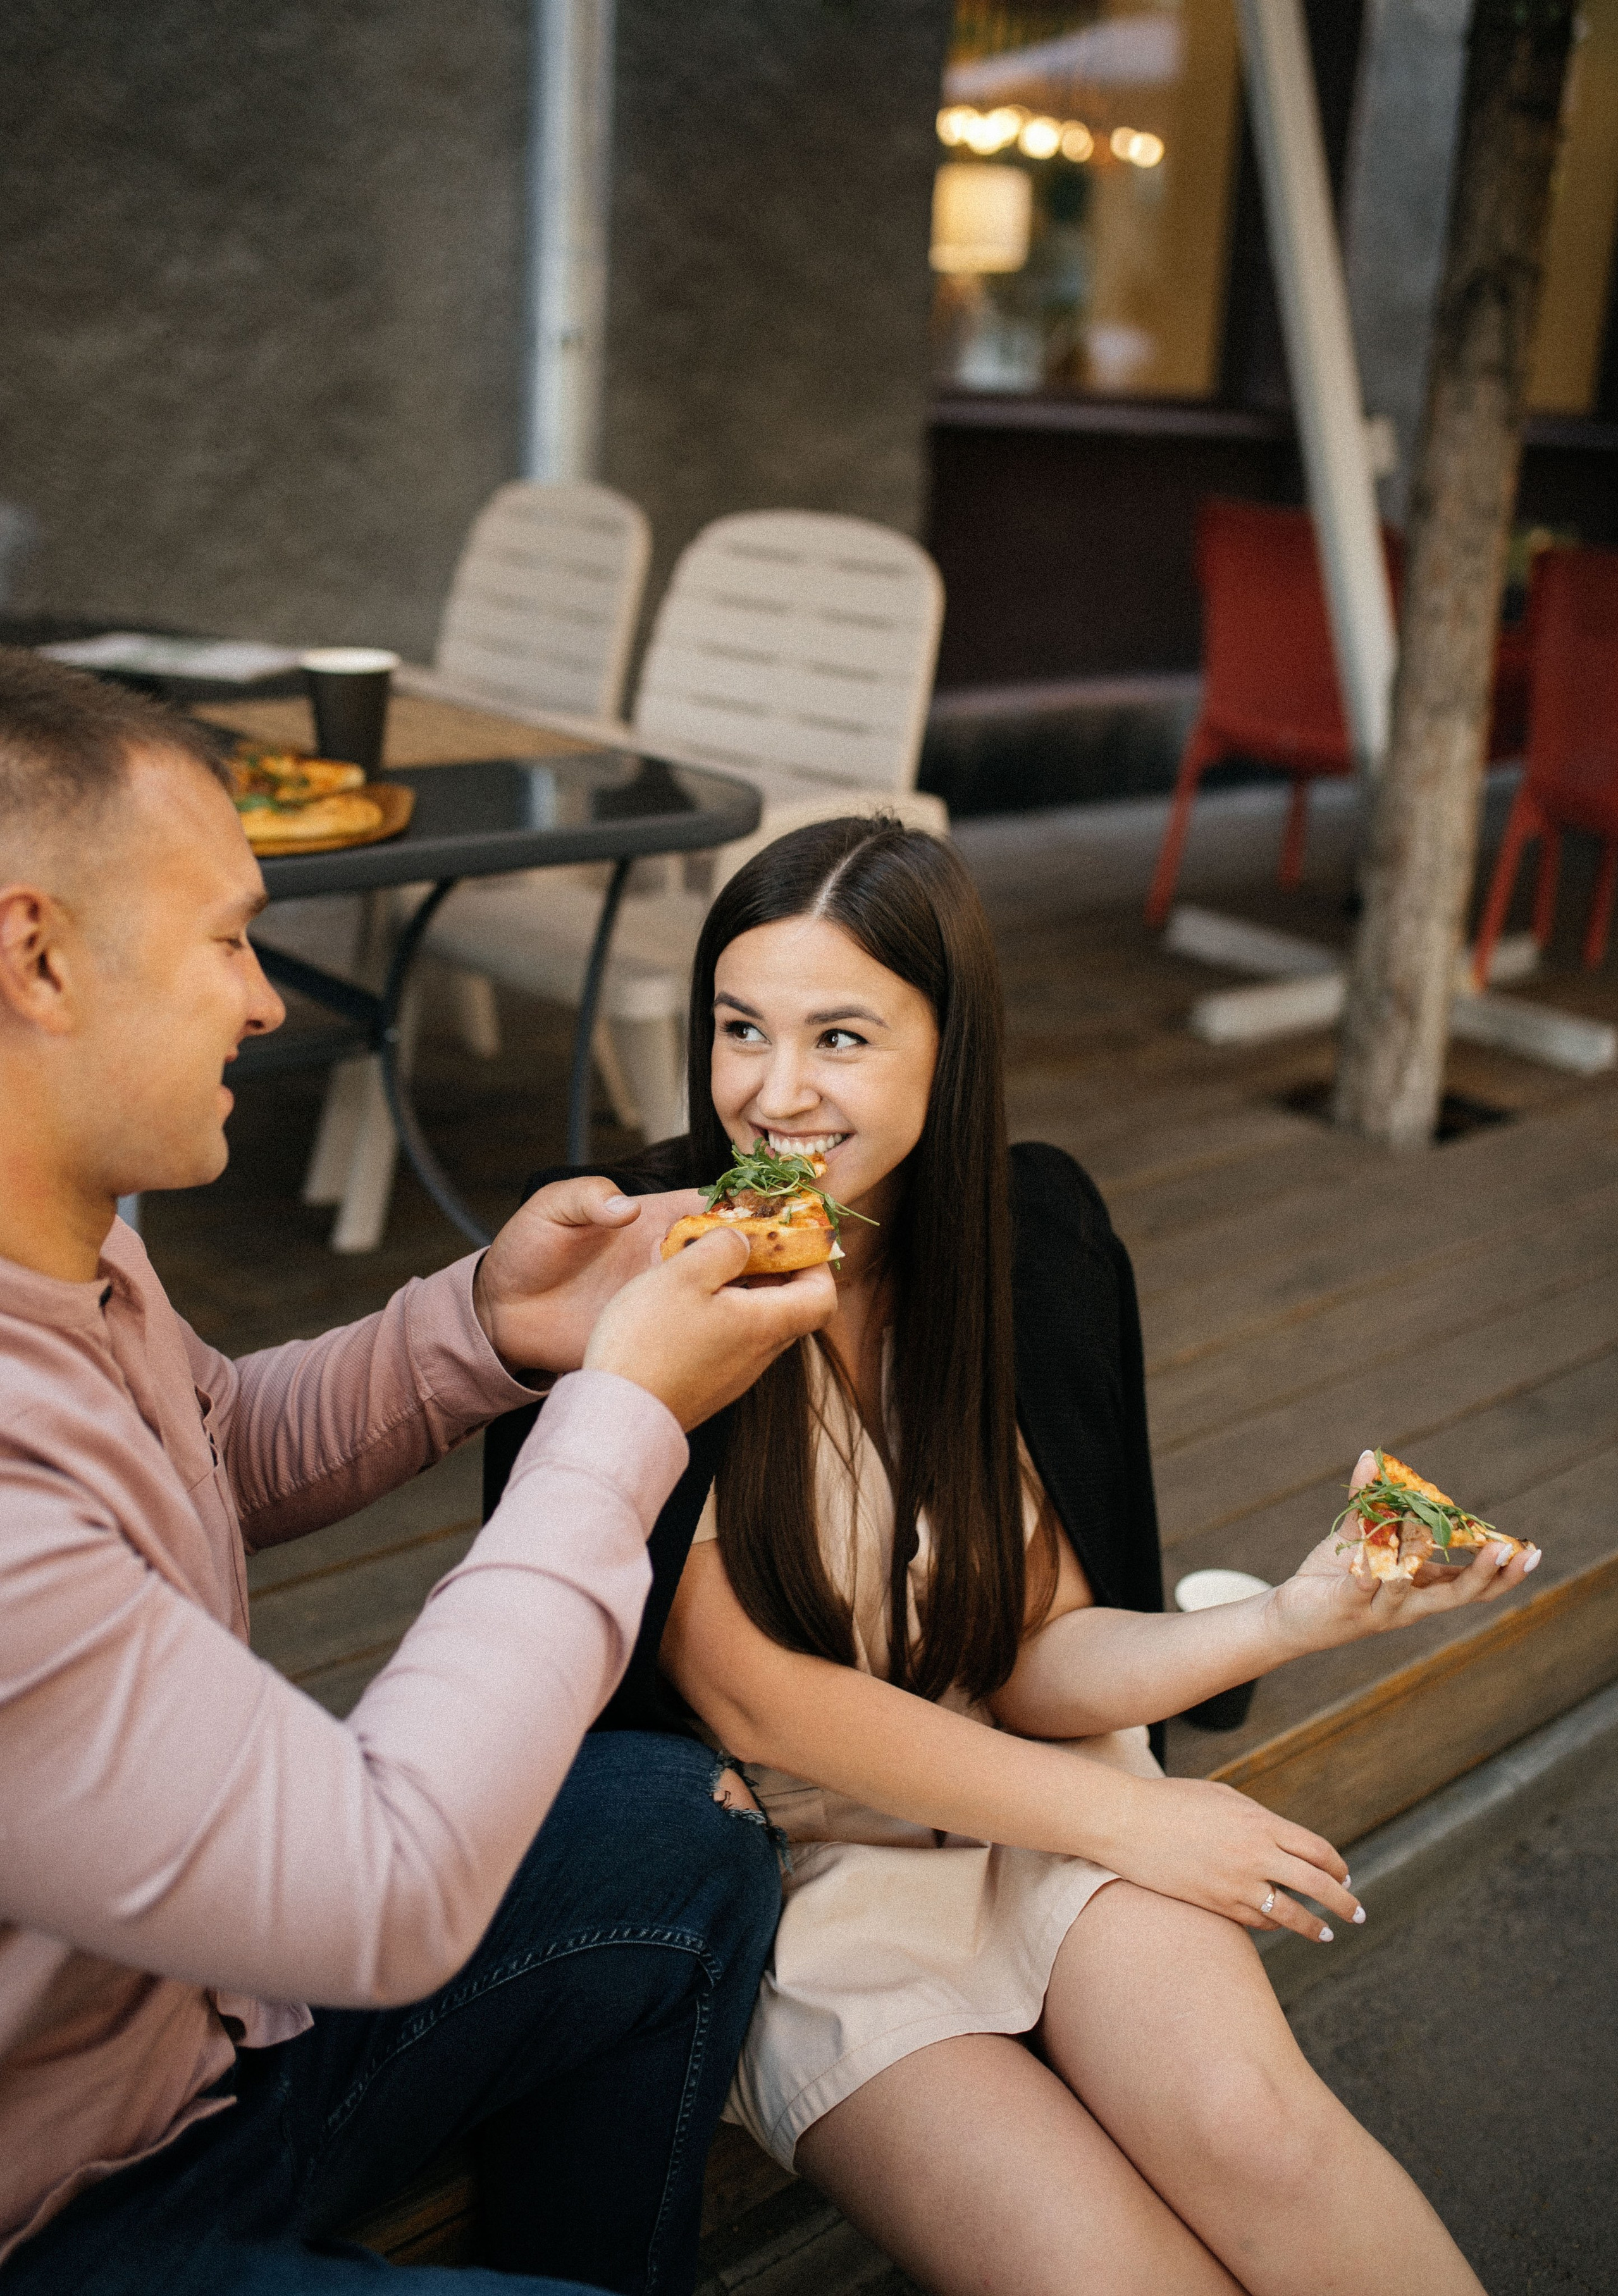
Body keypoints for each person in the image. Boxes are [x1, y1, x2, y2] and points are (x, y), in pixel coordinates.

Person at [491, 814, 1538, 2296]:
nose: (773, 1094)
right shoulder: (656, 1259)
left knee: (1260, 2137)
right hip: (804, 1885)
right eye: (741, 1029)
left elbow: (1037, 1654)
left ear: (949, 1045)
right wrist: (1139, 1827)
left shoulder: (1026, 1233)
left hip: (1039, 1801)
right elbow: (752, 1700)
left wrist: (1289, 1622)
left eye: (839, 1037)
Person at [0, 649, 839, 2295]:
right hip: (58, 2220)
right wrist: (621, 1414)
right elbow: (384, 1887)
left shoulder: (70, 1242)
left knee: (684, 1825)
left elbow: (214, 1438)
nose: (265, 997)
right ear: (36, 955)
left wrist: (492, 1324)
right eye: (232, 937)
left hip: (206, 2044)